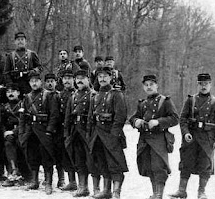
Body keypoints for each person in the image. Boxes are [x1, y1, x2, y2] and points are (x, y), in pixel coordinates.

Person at [169, 73, 215, 199]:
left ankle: (201, 192)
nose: (203, 86)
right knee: (185, 163)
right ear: (197, 85)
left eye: (206, 84)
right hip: (191, 138)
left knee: (205, 165)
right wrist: (186, 133)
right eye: (201, 84)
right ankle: (181, 191)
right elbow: (182, 119)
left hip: (207, 139)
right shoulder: (190, 100)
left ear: (210, 85)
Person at [129, 74, 179, 199]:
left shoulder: (165, 101)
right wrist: (136, 122)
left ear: (156, 85)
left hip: (159, 140)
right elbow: (132, 118)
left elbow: (175, 118)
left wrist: (158, 122)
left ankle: (159, 194)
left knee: (158, 167)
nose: (149, 87)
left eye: (151, 84)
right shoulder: (142, 103)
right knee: (149, 166)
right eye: (146, 85)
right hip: (144, 139)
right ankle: (155, 193)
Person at [89, 66, 128, 199]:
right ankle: (106, 190)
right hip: (97, 133)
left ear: (111, 78)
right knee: (102, 161)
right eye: (100, 76)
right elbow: (91, 117)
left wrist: (114, 134)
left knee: (114, 162)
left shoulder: (116, 94)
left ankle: (116, 191)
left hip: (111, 133)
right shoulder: (95, 95)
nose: (102, 79)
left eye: (105, 76)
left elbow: (121, 116)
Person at [18, 70, 58, 194]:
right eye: (32, 81)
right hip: (31, 131)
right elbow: (23, 117)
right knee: (32, 156)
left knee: (46, 157)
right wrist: (22, 133)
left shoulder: (49, 95)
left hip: (43, 130)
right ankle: (35, 181)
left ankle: (48, 183)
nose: (34, 83)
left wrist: (49, 131)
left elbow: (54, 114)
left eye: (36, 81)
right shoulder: (27, 97)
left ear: (41, 82)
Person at [64, 69, 96, 197]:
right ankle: (83, 187)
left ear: (88, 80)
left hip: (88, 131)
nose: (80, 81)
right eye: (77, 79)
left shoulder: (93, 95)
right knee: (78, 159)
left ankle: (97, 188)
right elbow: (67, 117)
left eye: (83, 78)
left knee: (92, 160)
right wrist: (67, 133)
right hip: (75, 131)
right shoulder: (73, 96)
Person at [1, 83, 29, 187]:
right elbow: (2, 122)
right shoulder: (5, 107)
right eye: (8, 92)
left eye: (13, 91)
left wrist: (14, 131)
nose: (10, 94)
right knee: (8, 144)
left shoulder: (23, 105)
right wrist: (5, 132)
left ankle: (25, 174)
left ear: (18, 93)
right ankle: (13, 172)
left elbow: (25, 122)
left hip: (22, 132)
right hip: (8, 134)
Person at [55, 69, 77, 191]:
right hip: (61, 128)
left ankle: (79, 182)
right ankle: (69, 180)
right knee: (63, 154)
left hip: (74, 128)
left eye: (69, 78)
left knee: (76, 155)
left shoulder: (77, 94)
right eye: (65, 78)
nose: (67, 81)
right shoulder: (60, 95)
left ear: (73, 79)